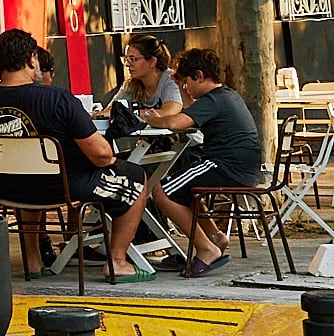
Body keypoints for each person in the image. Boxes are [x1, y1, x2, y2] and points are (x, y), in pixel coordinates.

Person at [0, 29, 134, 272]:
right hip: (63, 187)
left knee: (25, 177)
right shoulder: (58, 98)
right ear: (32, 59)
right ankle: (117, 262)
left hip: (4, 186)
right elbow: (101, 155)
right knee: (137, 177)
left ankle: (33, 262)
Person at [105, 47, 264, 278]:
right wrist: (181, 87)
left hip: (225, 165)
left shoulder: (214, 100)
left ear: (199, 76)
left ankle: (207, 250)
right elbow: (188, 111)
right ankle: (215, 236)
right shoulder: (224, 95)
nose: (184, 88)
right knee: (182, 189)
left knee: (161, 190)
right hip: (240, 167)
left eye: (185, 82)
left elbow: (176, 123)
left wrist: (149, 116)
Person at [110, 34, 183, 135]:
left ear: (152, 61)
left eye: (133, 59)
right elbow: (111, 110)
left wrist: (131, 114)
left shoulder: (171, 80)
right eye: (126, 59)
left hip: (185, 144)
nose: (127, 64)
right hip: (152, 143)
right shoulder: (132, 85)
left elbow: (169, 113)